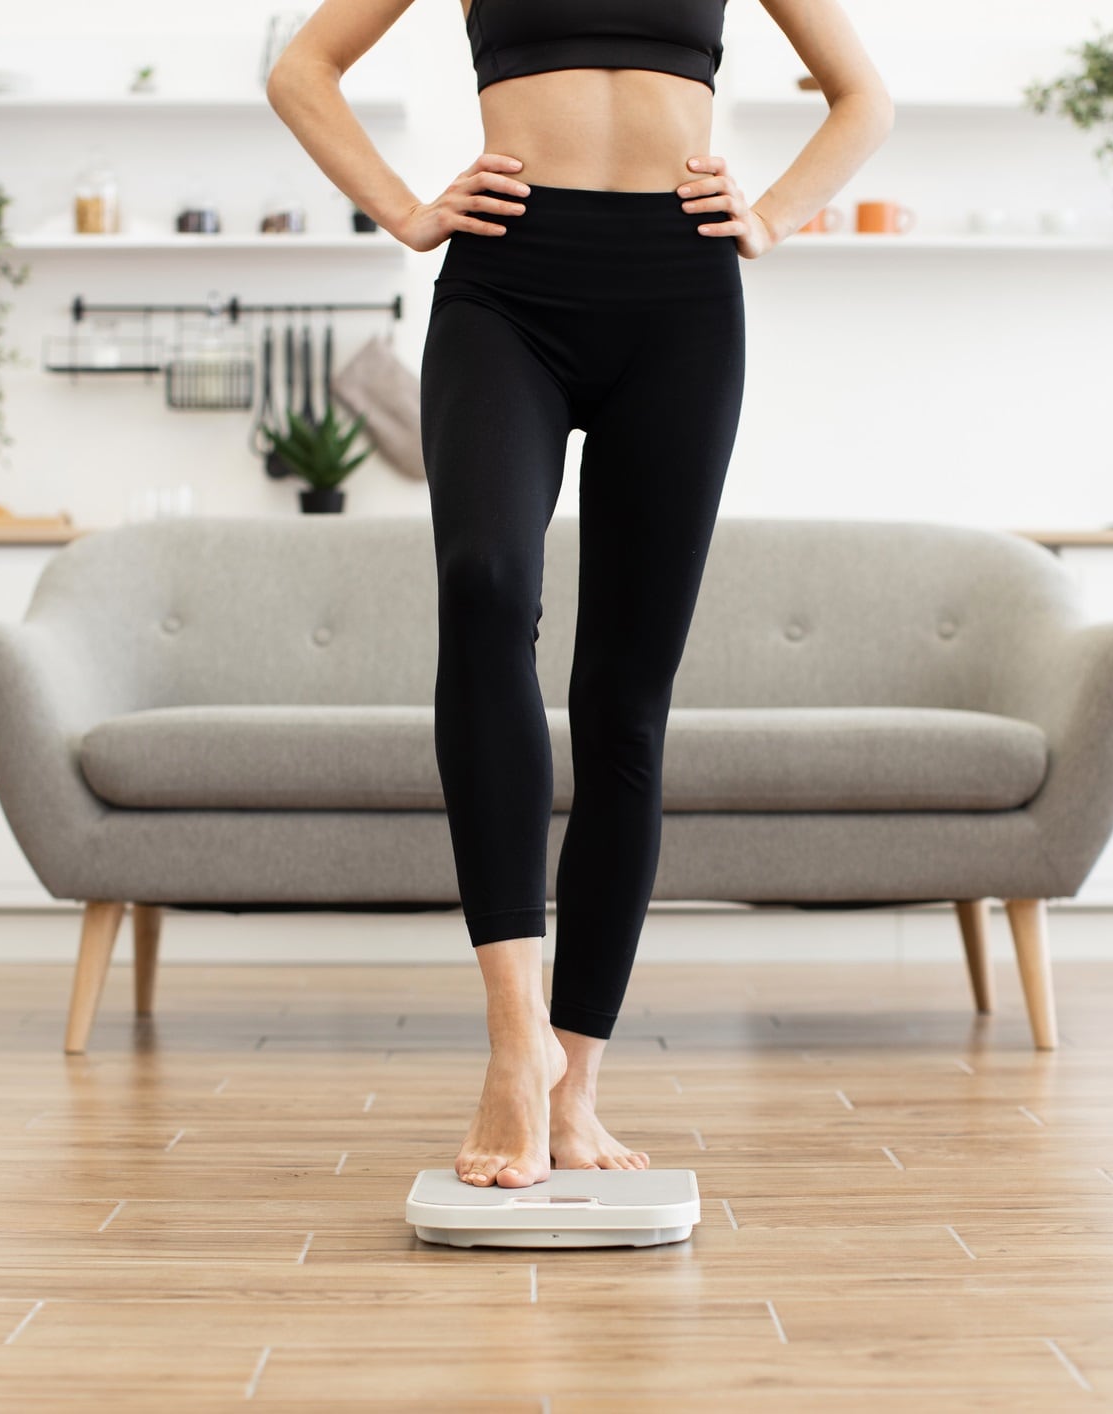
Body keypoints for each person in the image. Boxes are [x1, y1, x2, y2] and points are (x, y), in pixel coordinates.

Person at [267, 0, 892, 1188]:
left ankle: (578, 1079)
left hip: (681, 295)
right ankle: (515, 1046)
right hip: (509, 282)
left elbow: (864, 95)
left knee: (624, 694)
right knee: (489, 592)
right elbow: (305, 69)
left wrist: (768, 217)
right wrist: (406, 210)